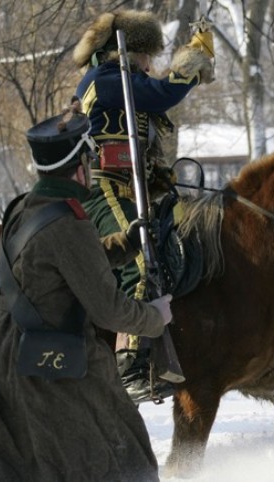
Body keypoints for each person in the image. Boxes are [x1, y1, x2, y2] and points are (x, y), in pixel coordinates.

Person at [0, 107, 173, 480]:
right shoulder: (68, 223)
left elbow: (71, 263)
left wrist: (128, 242)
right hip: (51, 361)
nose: (91, 167)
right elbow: (109, 310)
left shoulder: (24, 208)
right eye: (89, 160)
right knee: (124, 457)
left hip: (6, 355)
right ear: (79, 168)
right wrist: (155, 317)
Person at [72, 9, 214, 401]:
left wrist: (156, 176)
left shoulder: (119, 80)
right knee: (138, 259)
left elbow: (142, 132)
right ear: (129, 53)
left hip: (129, 187)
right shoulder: (107, 79)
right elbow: (161, 93)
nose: (150, 64)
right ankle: (131, 363)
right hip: (105, 189)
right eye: (146, 56)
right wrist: (192, 63)